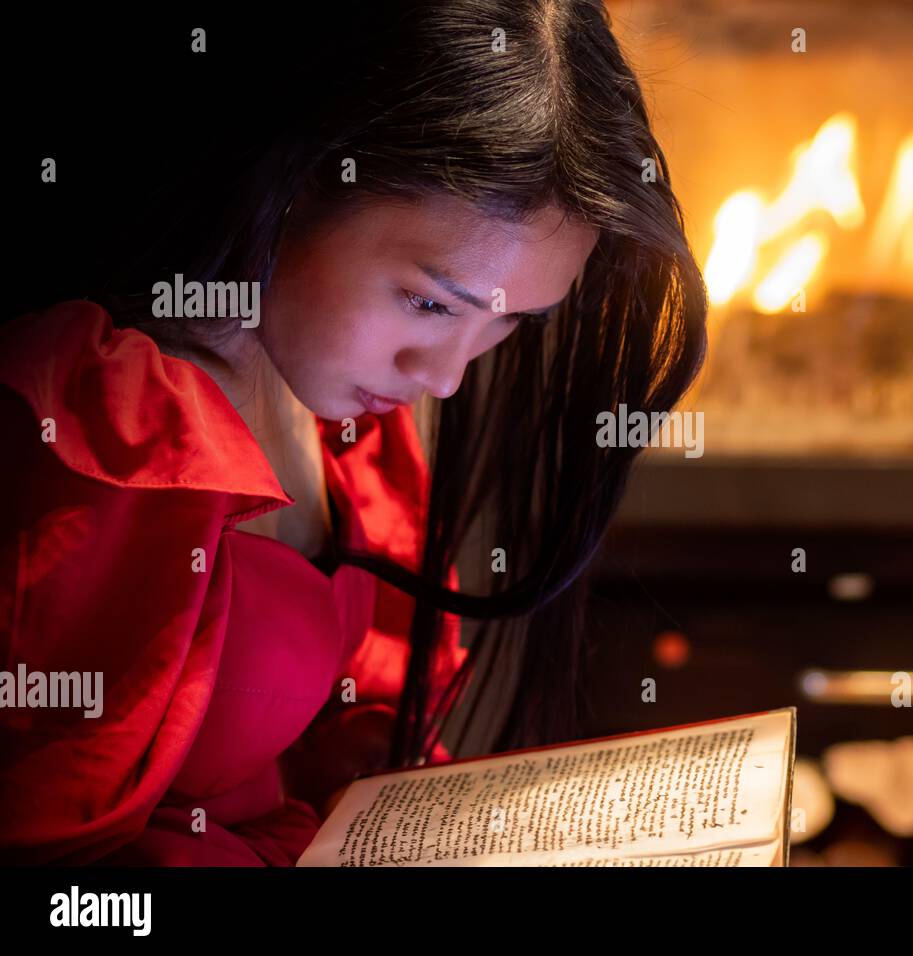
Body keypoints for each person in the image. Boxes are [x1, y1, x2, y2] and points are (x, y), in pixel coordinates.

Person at [0, 0, 706, 865]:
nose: (447, 375)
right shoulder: (106, 432)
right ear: (289, 184)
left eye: (512, 323)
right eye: (426, 302)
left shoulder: (349, 421)